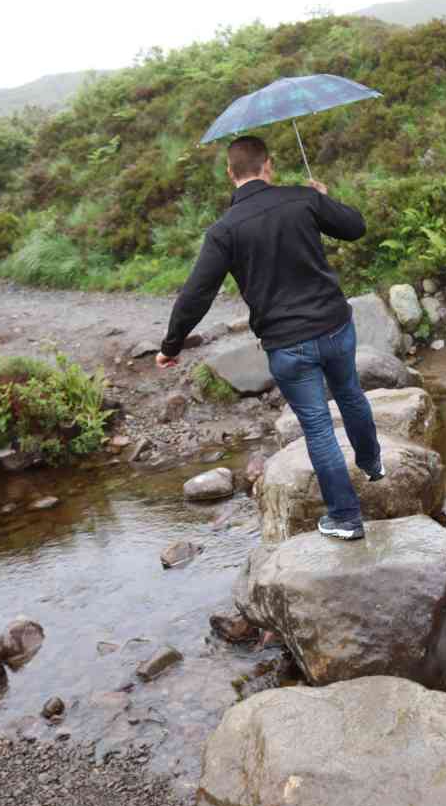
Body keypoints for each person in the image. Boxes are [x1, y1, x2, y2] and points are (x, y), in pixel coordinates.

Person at [156, 134, 383, 540]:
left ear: (231, 174)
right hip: (335, 326)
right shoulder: (302, 199)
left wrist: (171, 346)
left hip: (287, 344)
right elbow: (355, 227)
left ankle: (347, 519)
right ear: (269, 165)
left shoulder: (224, 230)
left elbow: (196, 294)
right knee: (350, 395)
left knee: (316, 427)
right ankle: (372, 465)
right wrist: (323, 198)